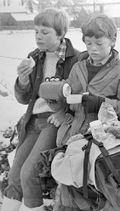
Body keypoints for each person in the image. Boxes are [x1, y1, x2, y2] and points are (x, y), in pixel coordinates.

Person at [2, 8, 79, 211]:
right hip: (32, 120)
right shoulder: (35, 57)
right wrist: (23, 79)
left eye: (45, 32)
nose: (38, 37)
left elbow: (79, 97)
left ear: (61, 34)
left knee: (29, 173)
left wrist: (64, 114)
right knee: (15, 174)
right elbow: (23, 98)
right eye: (36, 31)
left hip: (53, 122)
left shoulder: (76, 60)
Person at [56, 13, 120, 146]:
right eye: (88, 43)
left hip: (102, 141)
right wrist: (57, 97)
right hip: (70, 135)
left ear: (113, 40)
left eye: (99, 44)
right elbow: (67, 100)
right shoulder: (77, 67)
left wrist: (101, 103)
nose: (93, 48)